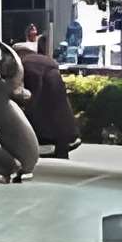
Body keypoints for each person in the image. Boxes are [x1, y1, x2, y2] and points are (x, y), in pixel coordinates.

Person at [14, 24, 76, 161]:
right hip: (56, 91)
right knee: (61, 111)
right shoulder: (45, 60)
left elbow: (25, 93)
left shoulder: (23, 63)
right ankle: (62, 145)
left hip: (39, 95)